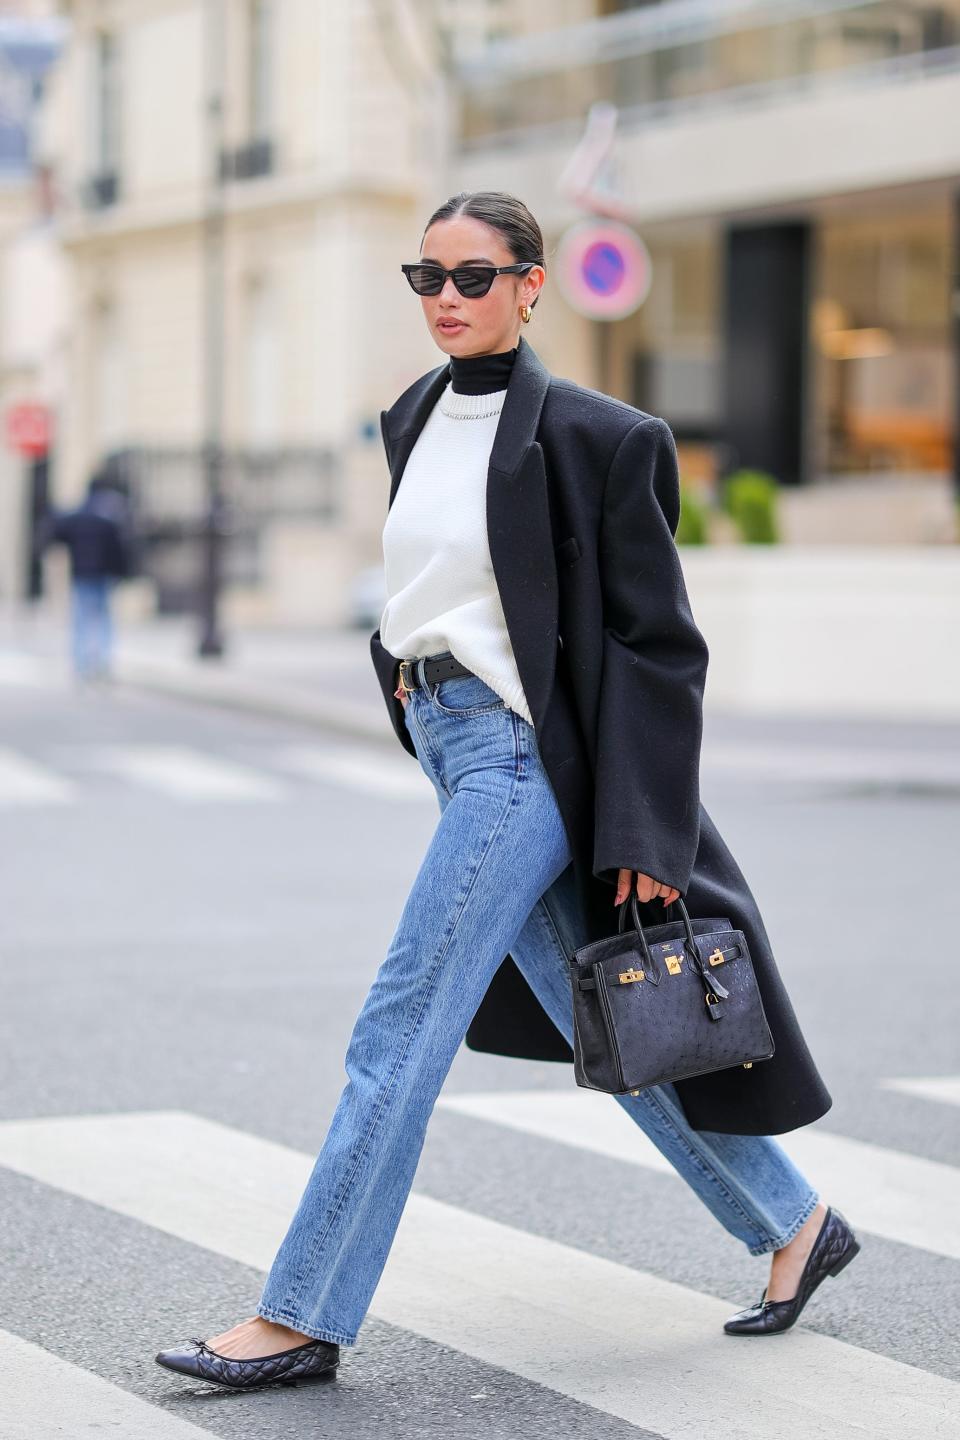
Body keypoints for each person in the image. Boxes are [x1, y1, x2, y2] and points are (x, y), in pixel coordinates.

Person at [155, 191, 860, 1392]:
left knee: (399, 1027)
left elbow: (657, 649)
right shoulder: (416, 415)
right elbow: (427, 589)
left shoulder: (603, 437)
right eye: (425, 278)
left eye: (473, 278)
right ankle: (795, 1222)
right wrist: (406, 687)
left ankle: (302, 1313)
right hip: (453, 745)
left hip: (524, 761)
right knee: (614, 1025)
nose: (446, 299)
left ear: (533, 285)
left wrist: (643, 823)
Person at [40, 468, 136, 685]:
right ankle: (101, 662)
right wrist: (122, 573)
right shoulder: (109, 518)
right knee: (103, 619)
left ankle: (82, 664)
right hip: (102, 575)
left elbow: (57, 534)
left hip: (82, 574)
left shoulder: (78, 516)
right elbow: (119, 549)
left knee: (82, 619)